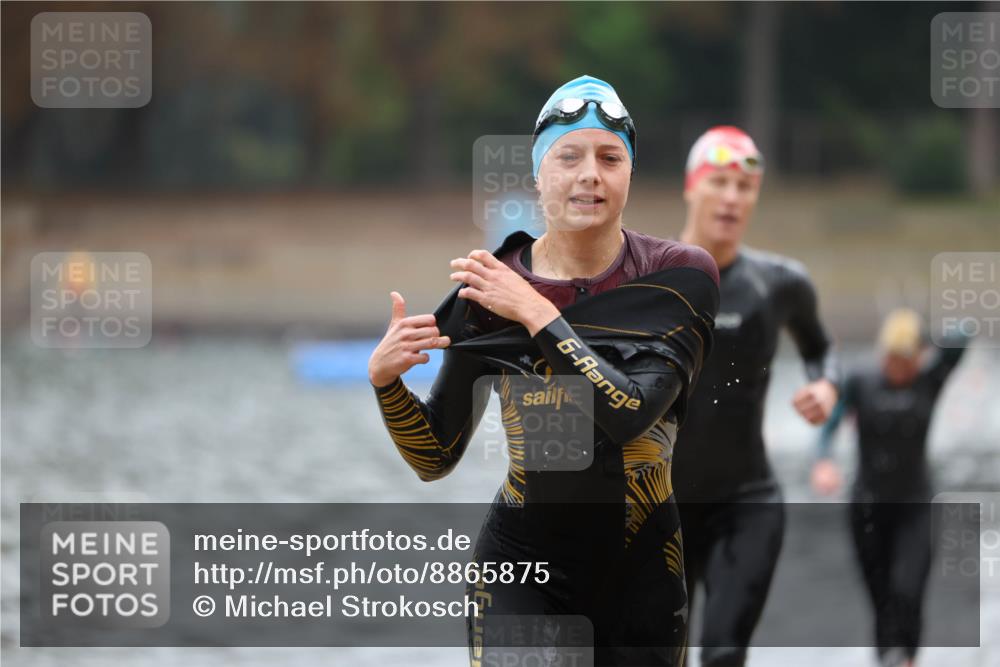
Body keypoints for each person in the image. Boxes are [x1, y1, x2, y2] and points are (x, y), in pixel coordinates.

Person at [368, 75, 720, 666]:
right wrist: (386, 383)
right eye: (569, 157)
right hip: (520, 570)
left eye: (611, 157)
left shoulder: (679, 278)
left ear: (629, 174)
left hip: (641, 572)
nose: (590, 174)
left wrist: (535, 311)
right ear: (539, 174)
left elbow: (628, 414)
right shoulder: (488, 289)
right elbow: (435, 456)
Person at [671, 126, 840, 666]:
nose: (731, 198)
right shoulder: (648, 280)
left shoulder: (781, 283)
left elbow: (821, 348)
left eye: (745, 188)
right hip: (657, 508)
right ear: (691, 187)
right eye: (719, 182)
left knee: (723, 655)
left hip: (745, 504)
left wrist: (826, 383)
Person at [812, 308, 968, 667]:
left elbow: (964, 333)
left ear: (919, 357)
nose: (897, 368)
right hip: (868, 507)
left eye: (906, 360)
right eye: (891, 359)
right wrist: (823, 462)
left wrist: (925, 338)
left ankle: (909, 660)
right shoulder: (861, 379)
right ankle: (888, 660)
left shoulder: (931, 378)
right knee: (881, 598)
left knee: (908, 591)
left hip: (916, 507)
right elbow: (830, 425)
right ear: (882, 355)